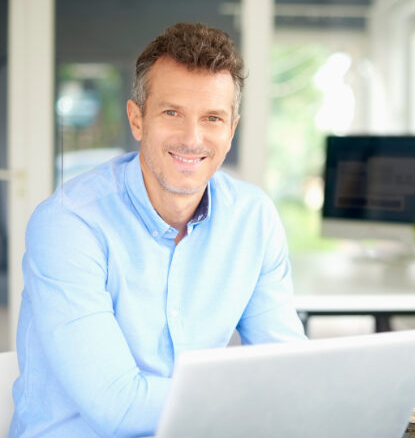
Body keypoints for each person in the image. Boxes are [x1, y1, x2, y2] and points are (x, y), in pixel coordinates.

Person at [10, 23, 306, 437]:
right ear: (137, 119)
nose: (192, 138)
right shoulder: (69, 224)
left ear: (231, 129)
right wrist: (251, 398)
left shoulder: (252, 218)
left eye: (212, 118)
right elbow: (118, 406)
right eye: (172, 113)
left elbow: (287, 368)